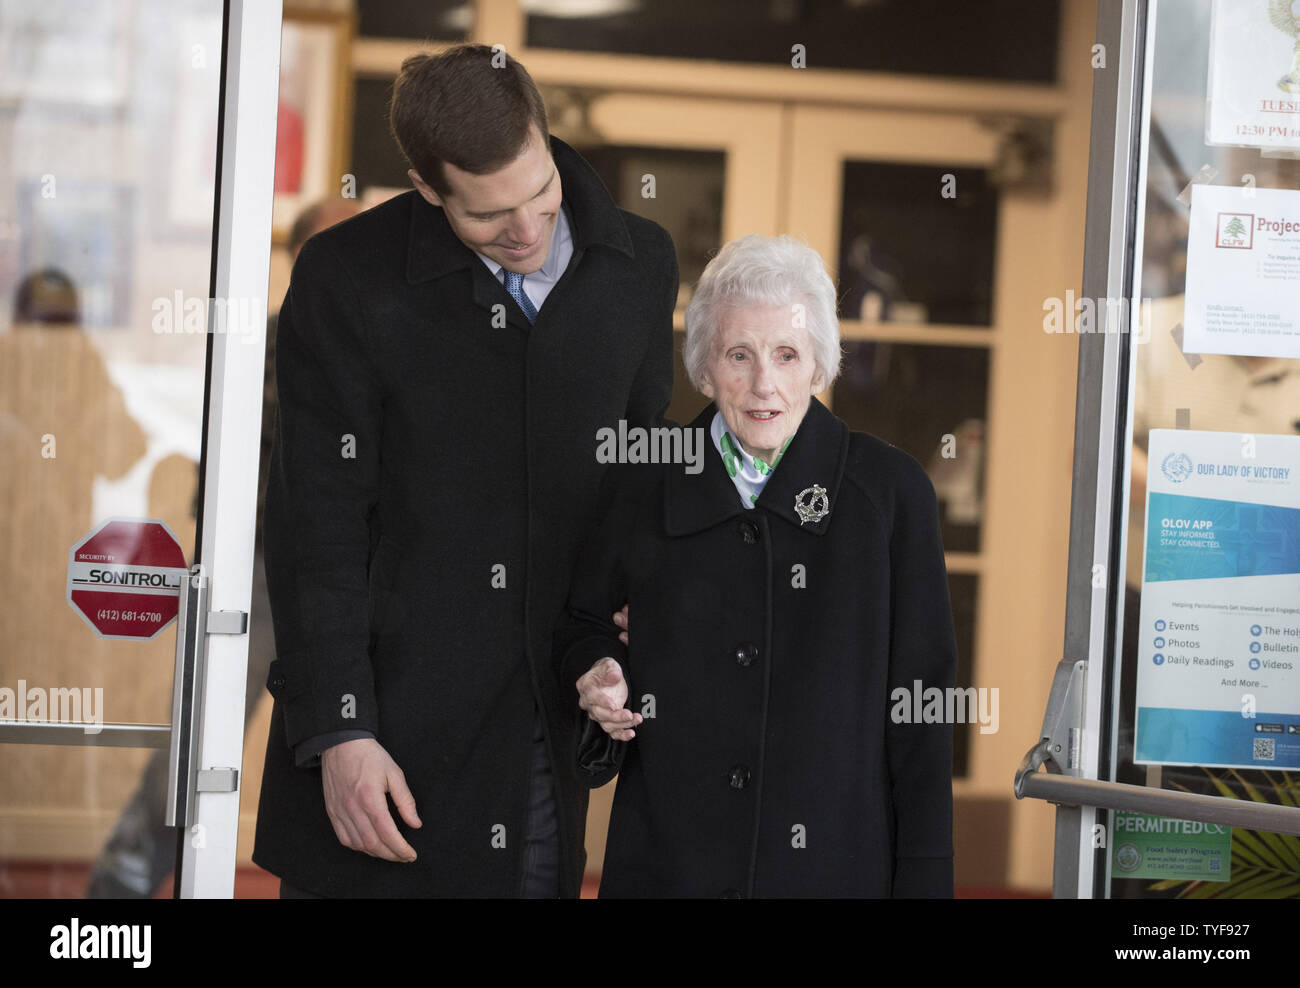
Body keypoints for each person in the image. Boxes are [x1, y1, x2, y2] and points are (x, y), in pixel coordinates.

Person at [252, 43, 677, 898]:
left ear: (546, 140)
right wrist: (340, 732)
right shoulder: (345, 281)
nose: (526, 232)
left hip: (538, 731)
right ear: (424, 185)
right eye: (487, 216)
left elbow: (633, 485)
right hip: (382, 727)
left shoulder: (642, 266)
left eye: (540, 196)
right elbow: (314, 524)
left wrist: (618, 640)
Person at [556, 234, 955, 897]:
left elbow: (922, 712)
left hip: (835, 870)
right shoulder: (642, 477)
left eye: (787, 354)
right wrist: (597, 669)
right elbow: (580, 624)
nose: (764, 384)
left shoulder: (890, 494)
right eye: (739, 355)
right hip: (669, 864)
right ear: (705, 367)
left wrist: (926, 883)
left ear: (819, 365)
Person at [83, 199, 360, 898]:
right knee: (199, 744)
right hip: (255, 572)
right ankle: (120, 889)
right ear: (303, 262)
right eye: (346, 246)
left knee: (343, 745)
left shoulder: (384, 352)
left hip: (353, 584)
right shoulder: (258, 345)